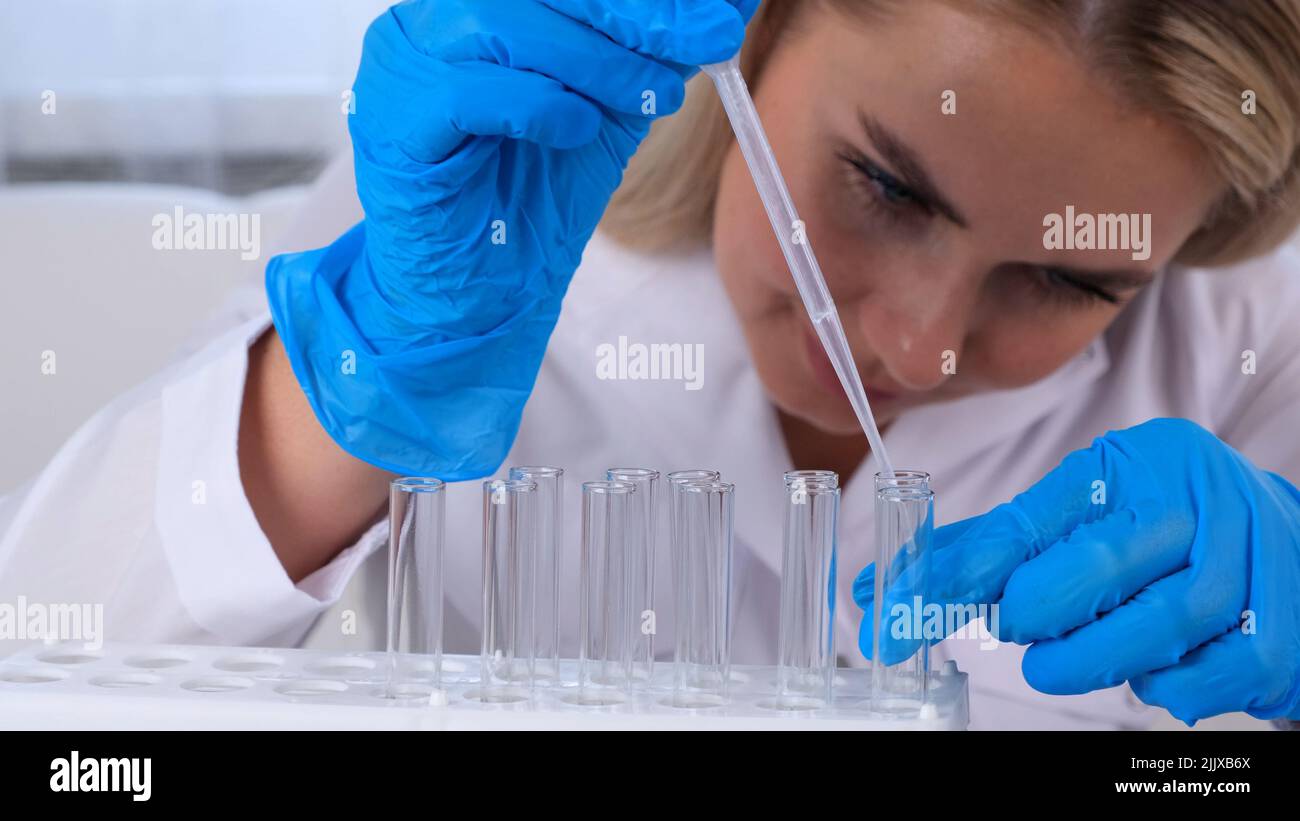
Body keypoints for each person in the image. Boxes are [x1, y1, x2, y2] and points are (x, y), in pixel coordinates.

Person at [2, 0, 1299, 729]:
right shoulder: (473, 215)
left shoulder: (1253, 343)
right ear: (755, 32)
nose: (914, 342)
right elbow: (52, 706)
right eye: (884, 185)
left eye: (1074, 280)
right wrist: (344, 413)